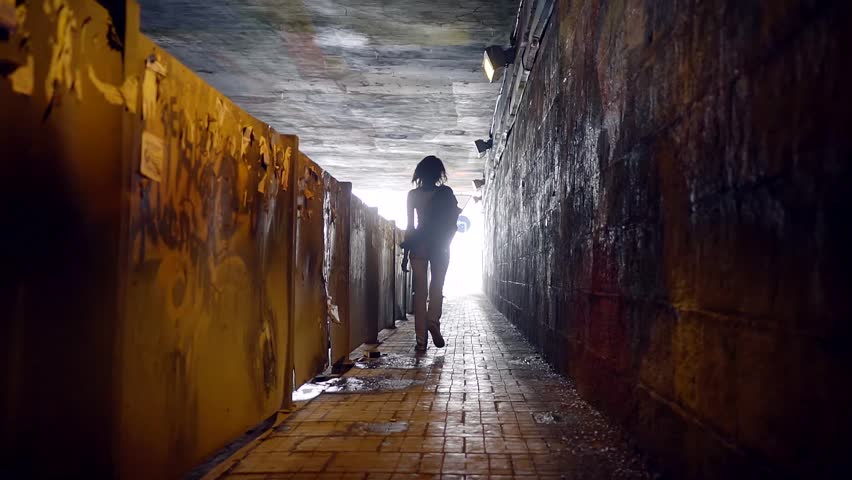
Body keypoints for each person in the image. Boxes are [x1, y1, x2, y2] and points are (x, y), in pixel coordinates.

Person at [401, 155, 462, 352]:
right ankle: (433, 320)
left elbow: (410, 226)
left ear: (419, 174)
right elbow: (453, 220)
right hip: (440, 245)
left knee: (420, 292)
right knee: (437, 285)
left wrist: (405, 254)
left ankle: (421, 340)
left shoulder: (413, 195)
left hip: (418, 244)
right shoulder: (445, 193)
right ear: (439, 174)